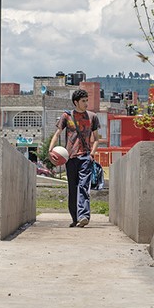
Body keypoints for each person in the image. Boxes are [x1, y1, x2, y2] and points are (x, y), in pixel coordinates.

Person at [49, 89, 101, 228]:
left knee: (83, 187)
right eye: (83, 101)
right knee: (73, 188)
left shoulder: (92, 117)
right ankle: (75, 218)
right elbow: (57, 133)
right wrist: (50, 150)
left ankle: (83, 216)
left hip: (85, 157)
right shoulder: (66, 116)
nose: (86, 103)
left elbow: (96, 139)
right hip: (70, 158)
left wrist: (92, 154)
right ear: (76, 102)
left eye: (87, 100)